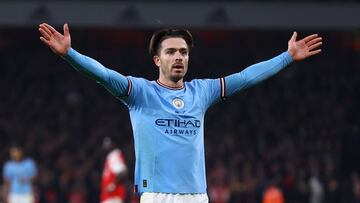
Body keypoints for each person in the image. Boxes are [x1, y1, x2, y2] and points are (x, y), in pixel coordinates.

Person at [38, 23, 322, 203]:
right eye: (172, 51)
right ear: (157, 59)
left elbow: (245, 77)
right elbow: (103, 75)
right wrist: (70, 54)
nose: (179, 57)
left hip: (198, 196)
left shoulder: (203, 91)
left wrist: (287, 57)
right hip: (157, 196)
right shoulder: (140, 93)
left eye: (184, 52)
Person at [101, 136, 128, 203]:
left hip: (113, 196)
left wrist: (113, 185)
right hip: (109, 197)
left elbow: (123, 172)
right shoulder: (111, 156)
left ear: (114, 144)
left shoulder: (114, 155)